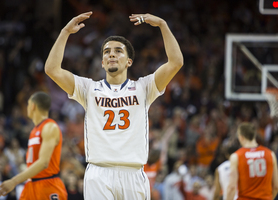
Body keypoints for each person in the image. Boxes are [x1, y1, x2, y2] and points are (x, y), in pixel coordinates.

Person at [44, 11, 183, 199]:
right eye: (107, 52)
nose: (112, 55)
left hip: (133, 173)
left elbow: (176, 62)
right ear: (102, 62)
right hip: (98, 172)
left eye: (118, 51)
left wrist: (162, 24)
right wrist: (65, 32)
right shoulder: (89, 88)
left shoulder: (143, 87)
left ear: (129, 61)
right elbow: (52, 69)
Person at [0, 92, 67, 199]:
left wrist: (14, 181)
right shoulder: (34, 130)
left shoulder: (50, 127)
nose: (27, 108)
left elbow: (43, 163)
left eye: (28, 105)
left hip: (48, 184)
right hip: (31, 184)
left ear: (33, 106)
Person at [226, 122, 278, 200]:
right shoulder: (270, 154)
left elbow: (232, 187)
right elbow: (276, 186)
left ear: (241, 137)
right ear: (254, 135)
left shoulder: (236, 156)